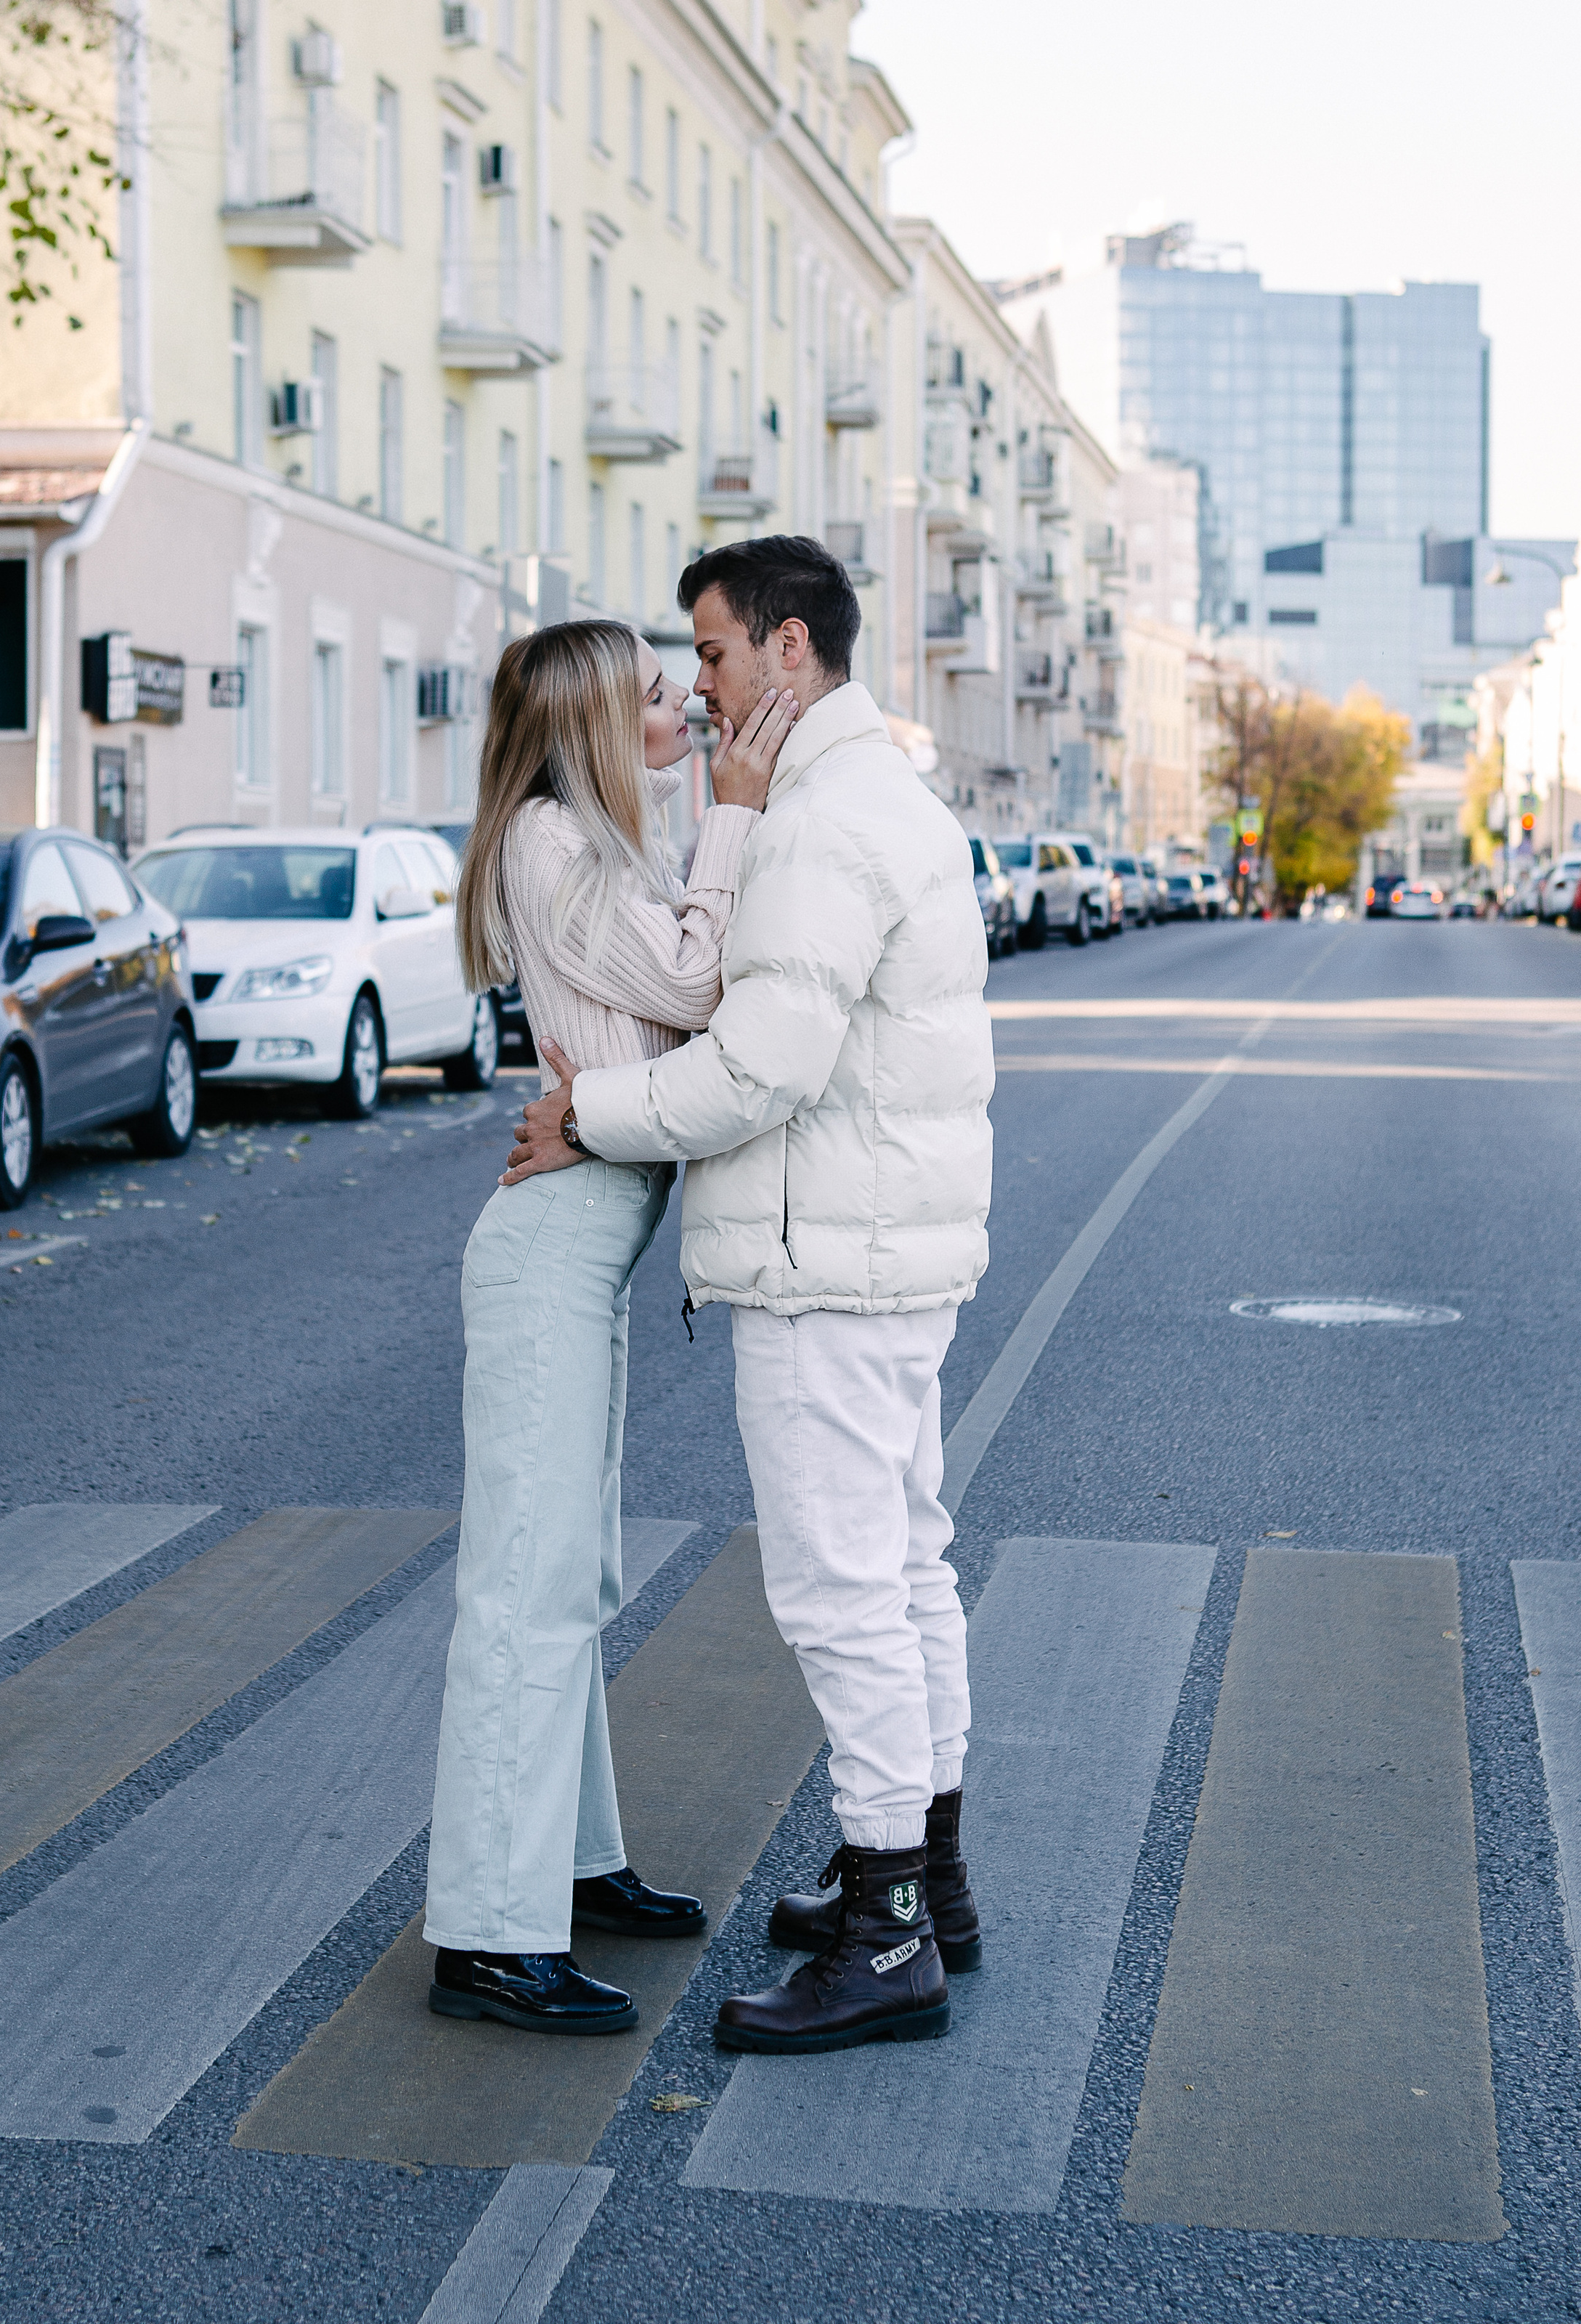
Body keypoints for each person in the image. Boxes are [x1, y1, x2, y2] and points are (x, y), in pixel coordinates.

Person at [502, 537, 994, 2055]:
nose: (696, 685)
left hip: (818, 1263)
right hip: (879, 1250)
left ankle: (886, 1930)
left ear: (785, 651)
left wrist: (589, 1116)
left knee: (842, 1589)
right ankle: (921, 1877)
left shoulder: (812, 824)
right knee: (905, 1567)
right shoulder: (873, 793)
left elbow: (759, 1065)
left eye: (706, 655)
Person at [424, 616, 799, 2036]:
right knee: (521, 1587)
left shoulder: (595, 851)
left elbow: (670, 1024)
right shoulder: (548, 844)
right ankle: (487, 1931)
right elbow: (698, 986)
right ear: (588, 718)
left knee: (564, 1573)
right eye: (652, 694)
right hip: (547, 1256)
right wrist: (733, 819)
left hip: (590, 1243)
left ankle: (567, 1867)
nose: (680, 710)